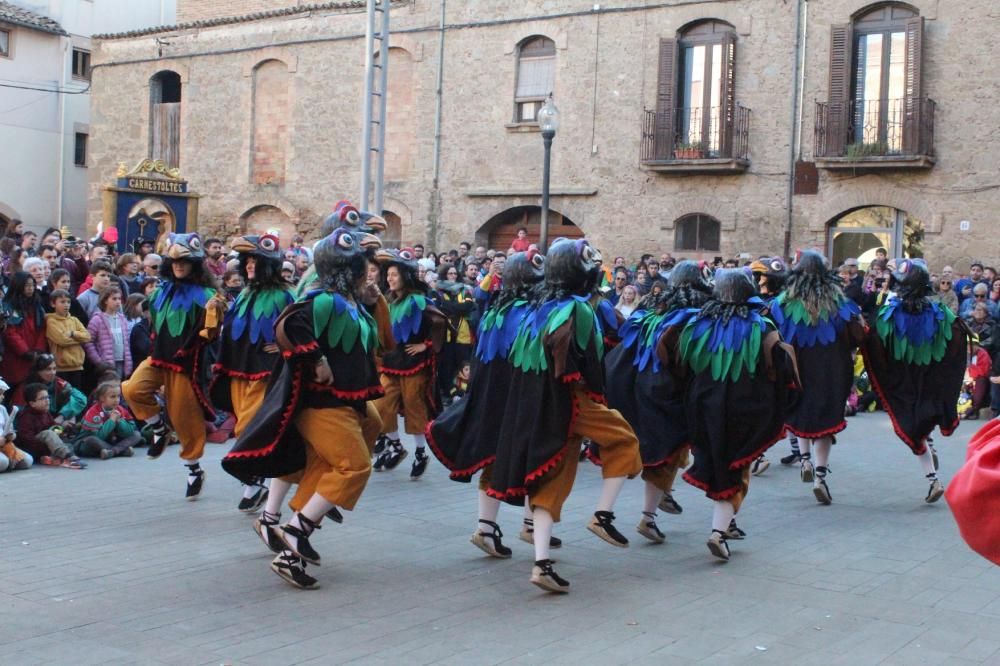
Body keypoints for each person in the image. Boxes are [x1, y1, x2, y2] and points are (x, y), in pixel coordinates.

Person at [222, 227, 385, 590]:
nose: (369, 271)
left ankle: (290, 550)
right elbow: (290, 323)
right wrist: (317, 358)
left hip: (351, 400)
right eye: (363, 265)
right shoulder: (324, 298)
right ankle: (296, 531)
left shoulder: (354, 302)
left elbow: (384, 342)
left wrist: (374, 301)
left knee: (370, 428)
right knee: (354, 466)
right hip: (324, 402)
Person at [488, 239, 642, 593]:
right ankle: (603, 515)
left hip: (538, 406)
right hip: (571, 401)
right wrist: (584, 384)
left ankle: (542, 564)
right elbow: (578, 356)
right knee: (624, 440)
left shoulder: (534, 307)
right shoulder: (578, 308)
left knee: (550, 485)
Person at [427, 250, 550, 560]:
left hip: (489, 397)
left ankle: (486, 528)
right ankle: (533, 525)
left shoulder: (497, 309)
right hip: (515, 399)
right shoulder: (530, 314)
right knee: (539, 458)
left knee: (495, 457)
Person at [671, 270, 799, 560]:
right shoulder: (761, 324)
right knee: (734, 468)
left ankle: (726, 524)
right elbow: (778, 368)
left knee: (722, 463)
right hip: (744, 405)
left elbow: (683, 362)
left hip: (702, 403)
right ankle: (718, 531)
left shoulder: (699, 322)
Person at [603, 260, 712, 544]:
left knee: (670, 449)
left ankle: (663, 496)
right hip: (668, 391)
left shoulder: (653, 304)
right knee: (666, 451)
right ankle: (647, 516)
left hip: (639, 385)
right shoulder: (695, 313)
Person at [121, 233, 226, 499]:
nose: (179, 265)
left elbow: (211, 334)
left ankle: (193, 471)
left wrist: (214, 312)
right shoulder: (160, 293)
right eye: (174, 261)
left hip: (186, 365)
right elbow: (154, 326)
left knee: (186, 421)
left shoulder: (207, 295)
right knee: (132, 389)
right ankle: (158, 426)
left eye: (185, 261)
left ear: (195, 264)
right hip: (159, 358)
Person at [861, 259, 970, 503]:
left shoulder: (890, 313)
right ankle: (930, 453)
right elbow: (958, 339)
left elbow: (875, 345)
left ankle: (933, 479)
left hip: (905, 383)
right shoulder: (941, 312)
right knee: (921, 423)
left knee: (912, 429)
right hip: (929, 379)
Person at [769, 251, 864, 504]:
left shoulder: (783, 302)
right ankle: (820, 475)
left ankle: (805, 461)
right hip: (831, 368)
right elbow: (856, 332)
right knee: (825, 417)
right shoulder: (839, 302)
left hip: (797, 367)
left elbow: (771, 330)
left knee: (801, 410)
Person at [209, 233, 294, 513]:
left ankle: (255, 482)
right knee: (242, 426)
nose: (249, 266)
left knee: (250, 428)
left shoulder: (284, 295)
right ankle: (258, 482)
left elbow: (299, 328)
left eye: (255, 261)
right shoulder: (243, 294)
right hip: (238, 369)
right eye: (247, 261)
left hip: (266, 372)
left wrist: (283, 347)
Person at [371, 248, 449, 478]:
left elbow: (440, 322)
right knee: (380, 406)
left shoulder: (419, 300)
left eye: (394, 275)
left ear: (405, 276)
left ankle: (420, 452)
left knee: (414, 406)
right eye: (388, 275)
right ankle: (395, 446)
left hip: (414, 363)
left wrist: (425, 344)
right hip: (391, 362)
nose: (389, 278)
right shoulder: (386, 301)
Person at [16, 382, 85, 468]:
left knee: (68, 444)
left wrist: (62, 428)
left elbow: (54, 427)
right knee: (48, 433)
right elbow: (27, 439)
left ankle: (53, 458)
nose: (47, 400)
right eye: (43, 398)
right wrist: (48, 446)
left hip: (50, 446)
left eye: (48, 397)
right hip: (34, 448)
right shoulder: (26, 417)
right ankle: (69, 457)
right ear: (32, 403)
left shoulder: (45, 413)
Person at [1, 272, 49, 387]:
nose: (31, 288)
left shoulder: (37, 306)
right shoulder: (7, 306)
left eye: (32, 285)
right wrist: (26, 352)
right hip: (14, 358)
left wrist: (38, 351)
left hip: (35, 357)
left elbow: (42, 329)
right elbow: (10, 332)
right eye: (27, 285)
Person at [11, 353, 88, 424]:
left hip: (56, 418)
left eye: (54, 369)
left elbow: (81, 399)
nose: (53, 372)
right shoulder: (26, 386)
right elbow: (17, 411)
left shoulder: (58, 382)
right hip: (35, 424)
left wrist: (62, 416)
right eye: (48, 369)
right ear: (37, 371)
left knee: (71, 406)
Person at [74, 381, 142, 459]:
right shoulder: (93, 412)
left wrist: (119, 421)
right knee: (91, 440)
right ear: (102, 398)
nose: (116, 400)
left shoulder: (120, 410)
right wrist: (111, 421)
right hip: (89, 444)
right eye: (113, 397)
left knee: (137, 435)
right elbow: (99, 437)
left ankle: (112, 451)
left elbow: (129, 432)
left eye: (118, 396)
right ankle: (121, 450)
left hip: (111, 441)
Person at [45, 288, 91, 388]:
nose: (66, 305)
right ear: (53, 304)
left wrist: (73, 333)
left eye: (68, 302)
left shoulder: (74, 320)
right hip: (61, 368)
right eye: (62, 302)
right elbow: (62, 340)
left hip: (77, 366)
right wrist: (79, 340)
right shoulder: (51, 321)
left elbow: (87, 337)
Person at [84, 287, 133, 379]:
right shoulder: (97, 319)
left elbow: (126, 341)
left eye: (119, 299)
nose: (118, 301)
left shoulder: (122, 319)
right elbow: (88, 342)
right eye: (114, 299)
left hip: (122, 361)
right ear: (105, 301)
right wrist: (99, 361)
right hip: (107, 364)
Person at [0, 379, 32, 472]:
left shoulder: (2, 409)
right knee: (3, 463)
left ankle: (8, 459)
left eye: (2, 394)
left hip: (5, 445)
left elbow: (11, 430)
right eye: (0, 394)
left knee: (27, 461)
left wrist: (10, 436)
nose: (2, 397)